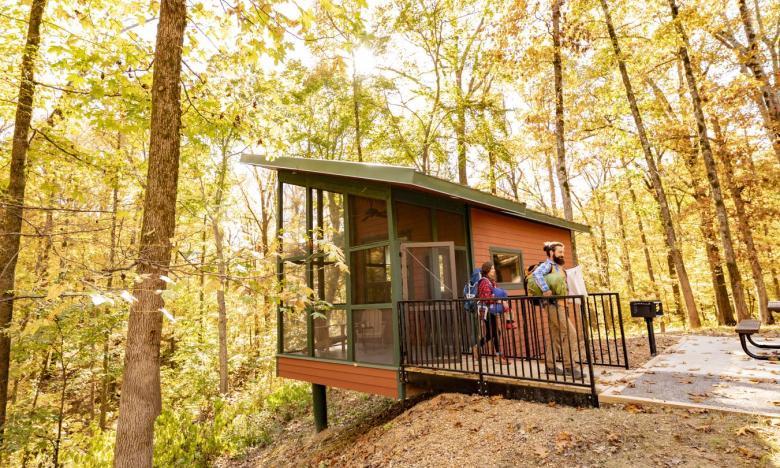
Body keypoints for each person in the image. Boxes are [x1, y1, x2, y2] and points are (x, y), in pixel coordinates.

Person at [527, 241, 582, 379]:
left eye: (563, 252)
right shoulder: (547, 265)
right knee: (571, 334)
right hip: (554, 305)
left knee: (555, 336)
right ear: (551, 253)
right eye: (560, 252)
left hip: (561, 305)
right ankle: (569, 367)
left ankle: (550, 366)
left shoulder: (558, 267)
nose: (562, 255)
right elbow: (536, 275)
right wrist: (545, 290)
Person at [472, 261, 509, 364]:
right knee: (495, 332)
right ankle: (498, 356)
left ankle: (478, 347)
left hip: (491, 309)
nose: (494, 270)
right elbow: (486, 297)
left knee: (492, 332)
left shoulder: (491, 281)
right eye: (492, 268)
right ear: (487, 270)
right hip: (486, 310)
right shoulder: (484, 282)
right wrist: (499, 300)